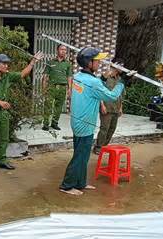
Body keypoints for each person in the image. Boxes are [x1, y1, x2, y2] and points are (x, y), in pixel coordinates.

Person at [59, 48, 133, 196]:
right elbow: (111, 96)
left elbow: (96, 85)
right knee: (80, 156)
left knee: (84, 155)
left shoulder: (78, 76)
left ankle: (80, 182)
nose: (99, 63)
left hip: (78, 121)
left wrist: (106, 78)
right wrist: (122, 81)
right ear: (89, 62)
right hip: (85, 124)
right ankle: (66, 185)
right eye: (97, 60)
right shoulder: (92, 81)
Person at [0, 52, 42, 174]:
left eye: (7, 63)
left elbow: (22, 74)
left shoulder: (7, 76)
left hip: (4, 112)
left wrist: (33, 62)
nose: (7, 66)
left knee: (4, 137)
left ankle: (1, 160)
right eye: (4, 63)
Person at [94, 60, 126, 155]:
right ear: (115, 66)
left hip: (116, 108)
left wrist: (120, 108)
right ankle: (98, 147)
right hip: (106, 107)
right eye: (121, 66)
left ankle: (104, 146)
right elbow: (99, 91)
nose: (122, 69)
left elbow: (121, 96)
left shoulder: (120, 80)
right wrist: (102, 105)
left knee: (112, 129)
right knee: (104, 128)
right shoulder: (106, 77)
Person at [42, 44, 73, 131]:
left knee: (58, 107)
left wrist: (70, 89)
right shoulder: (50, 62)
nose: (63, 51)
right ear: (57, 50)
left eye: (65, 50)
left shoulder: (67, 64)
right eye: (61, 49)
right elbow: (45, 76)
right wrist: (44, 88)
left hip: (62, 88)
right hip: (51, 87)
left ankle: (55, 123)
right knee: (48, 106)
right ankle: (45, 124)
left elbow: (69, 77)